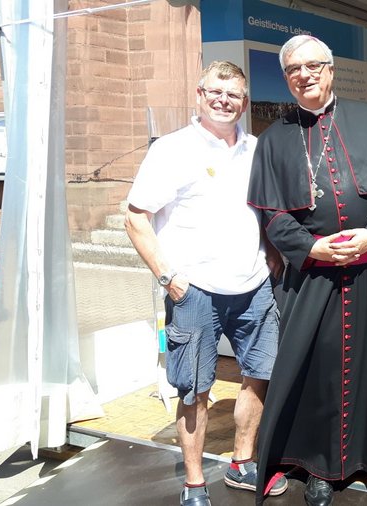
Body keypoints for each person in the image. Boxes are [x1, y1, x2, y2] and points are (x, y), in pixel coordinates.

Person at [248, 35, 367, 506]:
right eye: (293, 69)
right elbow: (272, 214)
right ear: (286, 79)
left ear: (330, 69)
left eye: (312, 66)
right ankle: (320, 466)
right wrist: (312, 247)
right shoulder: (274, 138)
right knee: (320, 372)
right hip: (312, 275)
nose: (304, 75)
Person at [125, 61, 285, 506]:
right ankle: (194, 482)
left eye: (233, 95)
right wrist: (169, 278)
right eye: (215, 91)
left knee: (260, 375)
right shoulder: (172, 149)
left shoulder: (257, 149)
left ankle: (242, 463)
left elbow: (264, 210)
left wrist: (271, 249)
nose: (223, 101)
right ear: (199, 95)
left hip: (254, 286)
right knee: (194, 389)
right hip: (194, 291)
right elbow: (136, 218)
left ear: (244, 103)